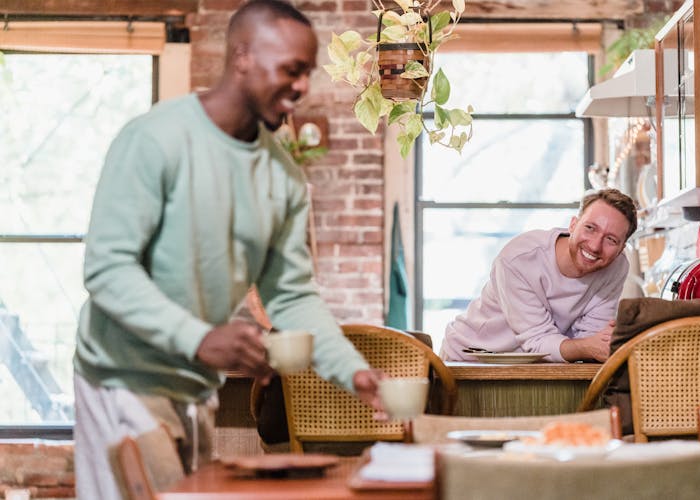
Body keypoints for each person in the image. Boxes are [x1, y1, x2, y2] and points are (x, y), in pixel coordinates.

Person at [73, 1, 382, 498]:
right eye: (291, 70)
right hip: (121, 377)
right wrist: (200, 337)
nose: (302, 86)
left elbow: (292, 295)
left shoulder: (283, 175)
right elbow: (107, 270)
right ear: (242, 57)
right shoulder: (156, 139)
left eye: (307, 72)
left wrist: (353, 371)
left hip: (196, 387)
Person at [440, 188, 638, 364]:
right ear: (572, 225)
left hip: (538, 366)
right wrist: (587, 347)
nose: (595, 246)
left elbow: (592, 339)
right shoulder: (518, 259)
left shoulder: (616, 267)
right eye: (590, 228)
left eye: (611, 239)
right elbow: (538, 340)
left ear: (622, 249)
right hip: (470, 358)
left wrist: (598, 344)